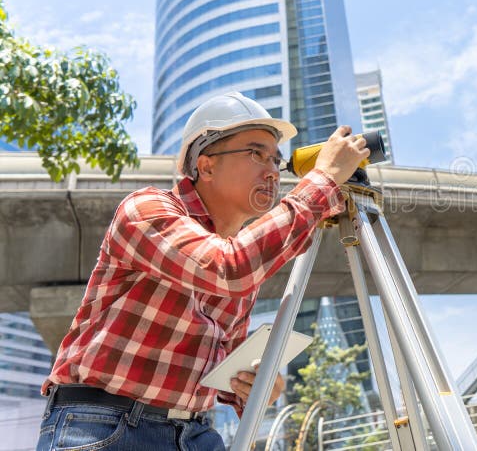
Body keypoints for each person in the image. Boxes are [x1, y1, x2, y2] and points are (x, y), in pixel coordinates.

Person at [36, 91, 370, 450]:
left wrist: (252, 385)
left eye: (276, 159)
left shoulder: (241, 252)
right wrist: (323, 181)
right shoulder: (146, 209)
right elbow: (227, 267)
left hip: (194, 433)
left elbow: (223, 372)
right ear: (207, 165)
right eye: (257, 153)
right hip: (106, 426)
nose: (273, 170)